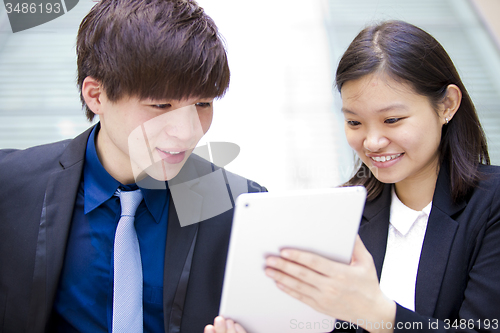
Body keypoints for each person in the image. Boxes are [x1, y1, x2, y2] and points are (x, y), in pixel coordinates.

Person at [206, 20, 500, 333]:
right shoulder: (340, 214)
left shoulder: (491, 204)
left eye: (391, 119)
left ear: (447, 105)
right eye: (355, 123)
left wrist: (378, 314)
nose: (372, 142)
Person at [0, 0, 265, 332]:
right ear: (96, 95)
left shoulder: (241, 207)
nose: (186, 131)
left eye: (202, 103)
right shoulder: (10, 187)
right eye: (160, 105)